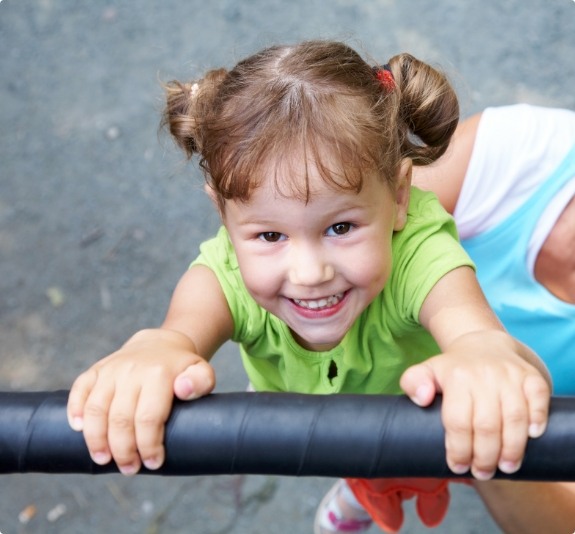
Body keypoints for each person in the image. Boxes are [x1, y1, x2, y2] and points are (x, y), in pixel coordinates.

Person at [66, 41, 551, 533]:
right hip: (338, 422)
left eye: (340, 228)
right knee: (364, 467)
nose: (308, 272)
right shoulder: (226, 272)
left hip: (431, 424)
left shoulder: (419, 249)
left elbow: (471, 329)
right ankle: (358, 492)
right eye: (270, 235)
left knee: (484, 446)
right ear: (224, 217)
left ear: (400, 197)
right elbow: (177, 335)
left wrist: (482, 353)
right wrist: (154, 351)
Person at [413, 103, 575, 533]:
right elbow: (340, 222)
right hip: (376, 362)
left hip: (508, 430)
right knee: (357, 457)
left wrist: (489, 440)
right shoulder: (521, 148)